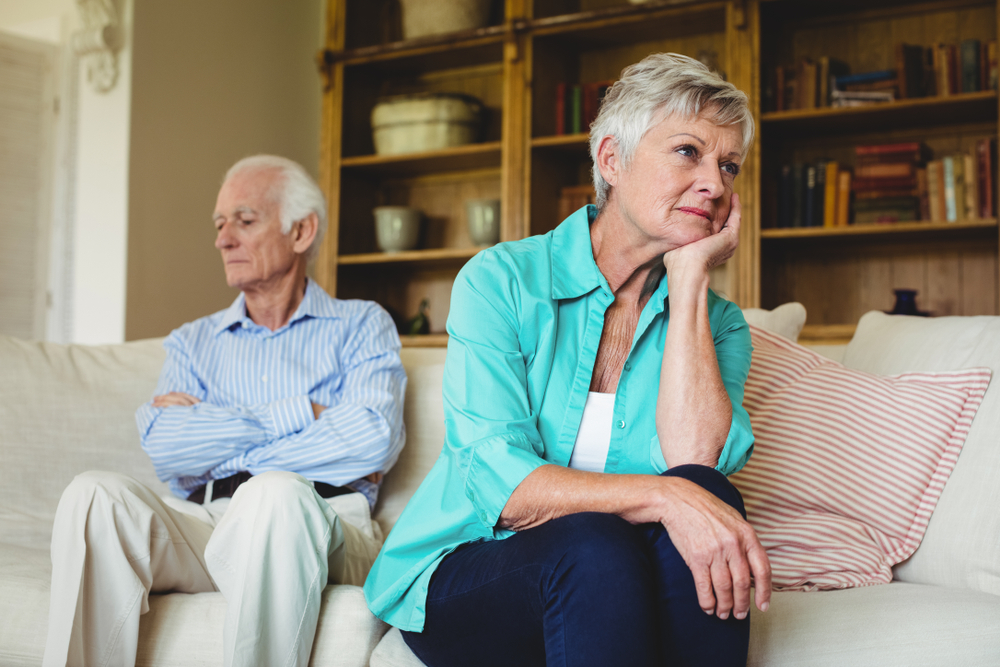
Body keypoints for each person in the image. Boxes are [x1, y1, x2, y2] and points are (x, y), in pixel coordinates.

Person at [363, 53, 771, 666]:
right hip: (474, 568)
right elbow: (501, 480)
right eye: (689, 152)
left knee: (708, 493)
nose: (715, 182)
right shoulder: (501, 281)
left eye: (729, 165)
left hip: (620, 578)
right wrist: (661, 500)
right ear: (612, 159)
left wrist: (688, 283)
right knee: (593, 540)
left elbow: (695, 467)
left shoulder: (718, 324)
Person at [42, 155, 407, 667]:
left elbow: (371, 437)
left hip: (323, 520)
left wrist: (218, 432)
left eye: (244, 219)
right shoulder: (193, 342)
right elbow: (168, 449)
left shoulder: (362, 325)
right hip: (208, 517)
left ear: (302, 231)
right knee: (95, 495)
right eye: (219, 224)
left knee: (273, 492)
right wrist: (304, 411)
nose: (223, 238)